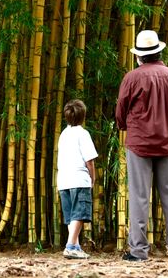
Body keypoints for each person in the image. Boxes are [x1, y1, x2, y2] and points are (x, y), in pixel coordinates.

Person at [115, 30, 168, 262]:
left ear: (139, 56)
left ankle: (138, 251)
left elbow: (121, 111)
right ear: (159, 52)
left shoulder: (132, 78)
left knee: (138, 197)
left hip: (139, 144)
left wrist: (123, 126)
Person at [57, 99, 98, 259]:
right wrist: (92, 178)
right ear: (83, 116)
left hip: (63, 180)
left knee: (71, 216)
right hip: (79, 179)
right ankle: (69, 246)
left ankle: (75, 246)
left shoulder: (63, 134)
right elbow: (90, 161)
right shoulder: (83, 134)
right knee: (79, 214)